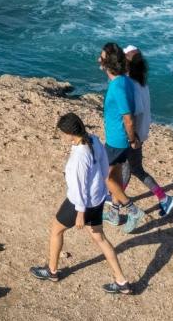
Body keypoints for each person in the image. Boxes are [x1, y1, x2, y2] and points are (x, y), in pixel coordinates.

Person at [31, 112, 135, 295]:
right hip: (96, 200)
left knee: (56, 229)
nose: (62, 137)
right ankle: (122, 282)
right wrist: (103, 193)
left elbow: (78, 187)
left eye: (63, 133)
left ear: (70, 133)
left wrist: (80, 213)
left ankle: (52, 271)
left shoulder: (80, 156)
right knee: (100, 238)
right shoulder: (94, 140)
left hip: (79, 204)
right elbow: (104, 169)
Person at [120, 47, 173, 219]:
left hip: (133, 136)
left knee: (124, 169)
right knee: (135, 169)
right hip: (141, 133)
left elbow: (135, 113)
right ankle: (163, 198)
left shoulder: (130, 83)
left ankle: (115, 203)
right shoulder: (141, 81)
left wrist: (132, 137)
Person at [97, 42, 144, 230]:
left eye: (101, 57)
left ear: (108, 62)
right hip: (119, 140)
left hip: (118, 141)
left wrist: (133, 139)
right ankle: (114, 214)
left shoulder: (117, 85)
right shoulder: (123, 80)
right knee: (115, 176)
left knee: (105, 177)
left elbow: (128, 117)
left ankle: (133, 211)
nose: (98, 59)